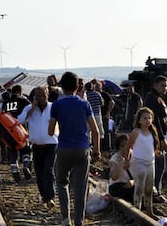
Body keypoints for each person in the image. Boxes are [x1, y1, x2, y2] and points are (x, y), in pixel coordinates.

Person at [48, 71, 101, 226]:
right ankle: (79, 221)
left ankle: (66, 217)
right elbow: (96, 131)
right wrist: (97, 150)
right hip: (82, 149)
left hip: (64, 148)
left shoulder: (57, 105)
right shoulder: (85, 104)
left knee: (62, 182)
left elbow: (51, 132)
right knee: (80, 187)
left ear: (61, 87)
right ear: (78, 87)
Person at [18, 86, 59, 208]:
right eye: (39, 96)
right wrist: (31, 109)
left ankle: (50, 197)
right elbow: (19, 121)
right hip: (36, 145)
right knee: (40, 173)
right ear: (35, 97)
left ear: (47, 95)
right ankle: (44, 197)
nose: (41, 98)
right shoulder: (29, 108)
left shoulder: (53, 107)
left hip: (51, 144)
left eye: (43, 95)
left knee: (49, 170)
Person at [123, 107, 159, 217]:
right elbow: (128, 147)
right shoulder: (136, 132)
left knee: (149, 188)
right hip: (139, 162)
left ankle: (149, 211)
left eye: (149, 118)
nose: (147, 120)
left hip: (150, 163)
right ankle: (137, 211)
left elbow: (153, 147)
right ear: (139, 120)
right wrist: (127, 160)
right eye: (144, 118)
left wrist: (157, 153)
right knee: (139, 187)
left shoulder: (153, 131)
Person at [144, 75, 167, 204]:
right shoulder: (153, 99)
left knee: (158, 165)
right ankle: (155, 193)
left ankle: (154, 191)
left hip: (156, 136)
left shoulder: (157, 98)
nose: (164, 88)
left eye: (166, 86)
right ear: (155, 85)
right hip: (155, 137)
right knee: (158, 165)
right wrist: (161, 138)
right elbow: (156, 121)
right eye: (162, 85)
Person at [108, 134, 134, 203]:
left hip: (131, 184)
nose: (125, 147)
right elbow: (114, 177)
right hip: (118, 185)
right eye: (122, 146)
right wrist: (121, 162)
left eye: (127, 144)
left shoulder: (136, 157)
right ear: (119, 148)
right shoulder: (115, 159)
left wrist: (133, 182)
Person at [95, 81, 115, 152]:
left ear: (101, 87)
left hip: (104, 115)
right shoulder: (95, 94)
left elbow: (112, 102)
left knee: (106, 132)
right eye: (96, 87)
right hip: (96, 115)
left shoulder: (105, 94)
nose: (97, 88)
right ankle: (100, 147)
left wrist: (108, 112)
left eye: (98, 87)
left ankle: (107, 148)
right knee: (98, 132)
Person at [85, 82, 105, 146]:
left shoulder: (86, 95)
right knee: (99, 129)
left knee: (88, 131)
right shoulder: (97, 94)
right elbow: (102, 103)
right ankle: (100, 144)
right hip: (97, 114)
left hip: (88, 115)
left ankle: (89, 144)